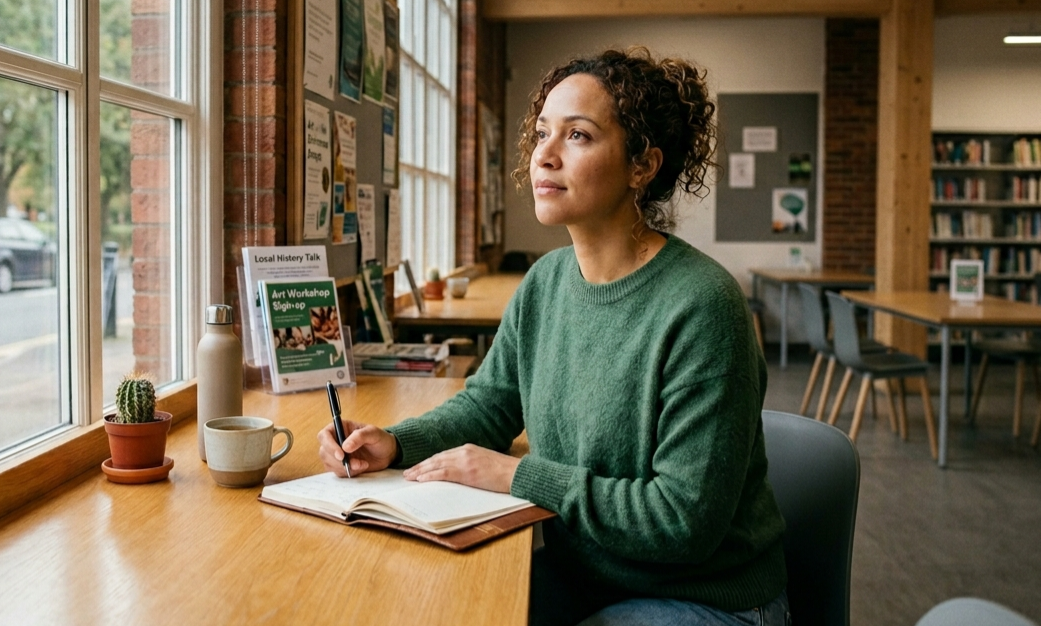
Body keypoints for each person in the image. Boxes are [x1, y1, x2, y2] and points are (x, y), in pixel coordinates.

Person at [317, 47, 788, 626]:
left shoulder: (704, 306)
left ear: (642, 166)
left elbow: (682, 521)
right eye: (543, 132)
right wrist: (393, 442)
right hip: (587, 579)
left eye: (578, 135)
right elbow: (489, 406)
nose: (544, 153)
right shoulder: (545, 282)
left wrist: (518, 476)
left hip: (704, 598)